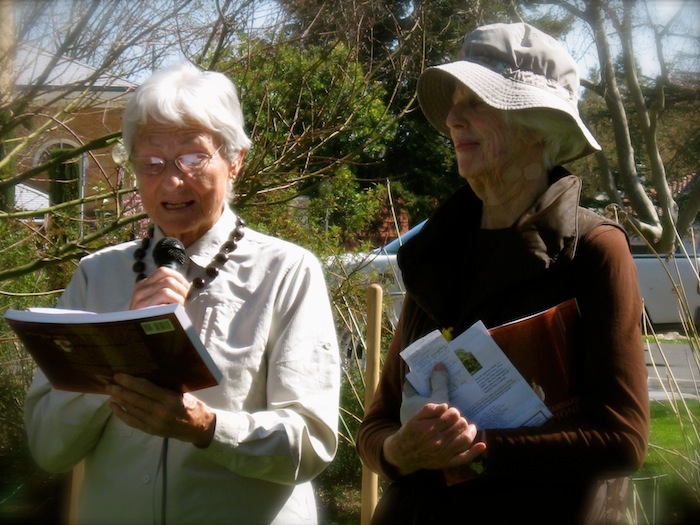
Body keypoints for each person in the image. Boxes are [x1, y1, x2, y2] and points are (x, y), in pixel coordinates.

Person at [356, 22, 649, 524]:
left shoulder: (593, 250)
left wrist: (479, 447)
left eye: (477, 101)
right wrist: (401, 451)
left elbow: (622, 438)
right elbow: (377, 424)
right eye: (453, 100)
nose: (452, 117)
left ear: (540, 126)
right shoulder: (434, 253)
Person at [24, 62, 340, 525]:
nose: (170, 182)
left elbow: (311, 442)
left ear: (235, 161)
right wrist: (115, 349)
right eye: (150, 163)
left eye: (192, 159)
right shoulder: (98, 278)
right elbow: (49, 449)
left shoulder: (286, 272)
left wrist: (209, 427)